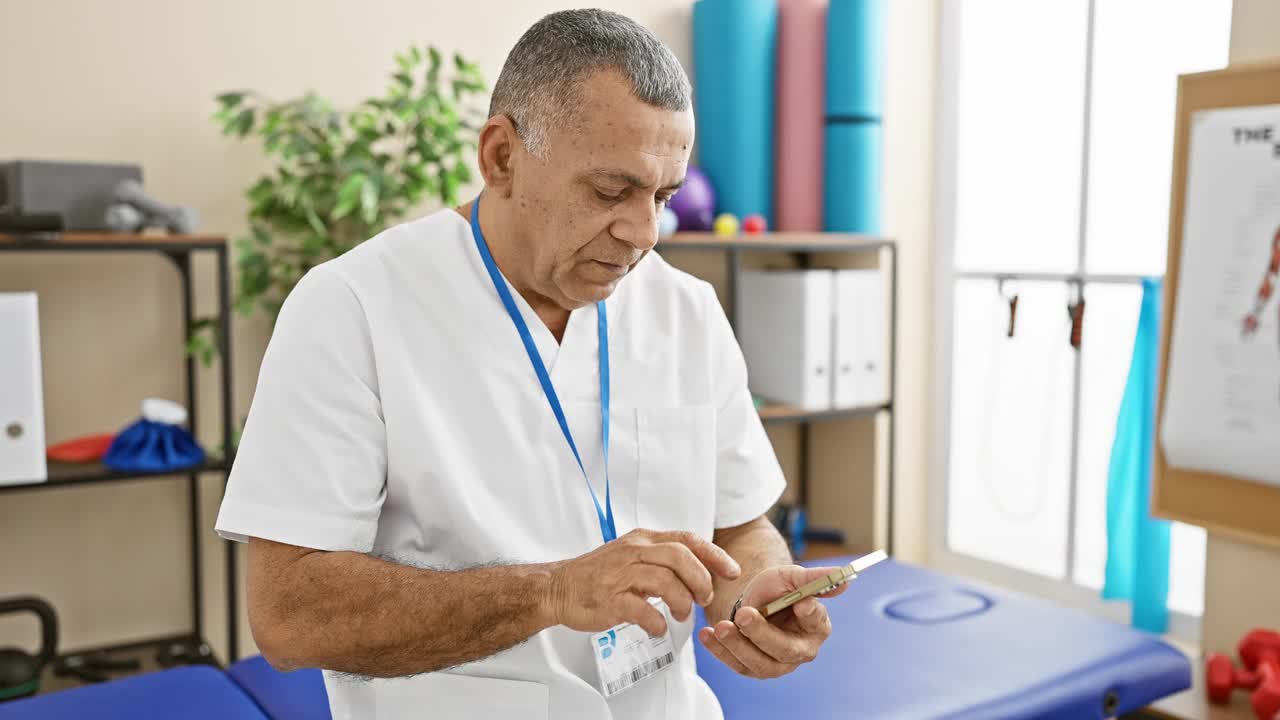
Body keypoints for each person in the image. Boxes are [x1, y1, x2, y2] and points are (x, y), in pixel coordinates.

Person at [215, 9, 846, 719]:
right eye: (610, 191)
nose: (643, 234)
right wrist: (551, 593)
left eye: (663, 197)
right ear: (501, 157)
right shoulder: (351, 308)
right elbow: (290, 615)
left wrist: (759, 595)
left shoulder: (687, 311)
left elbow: (738, 527)